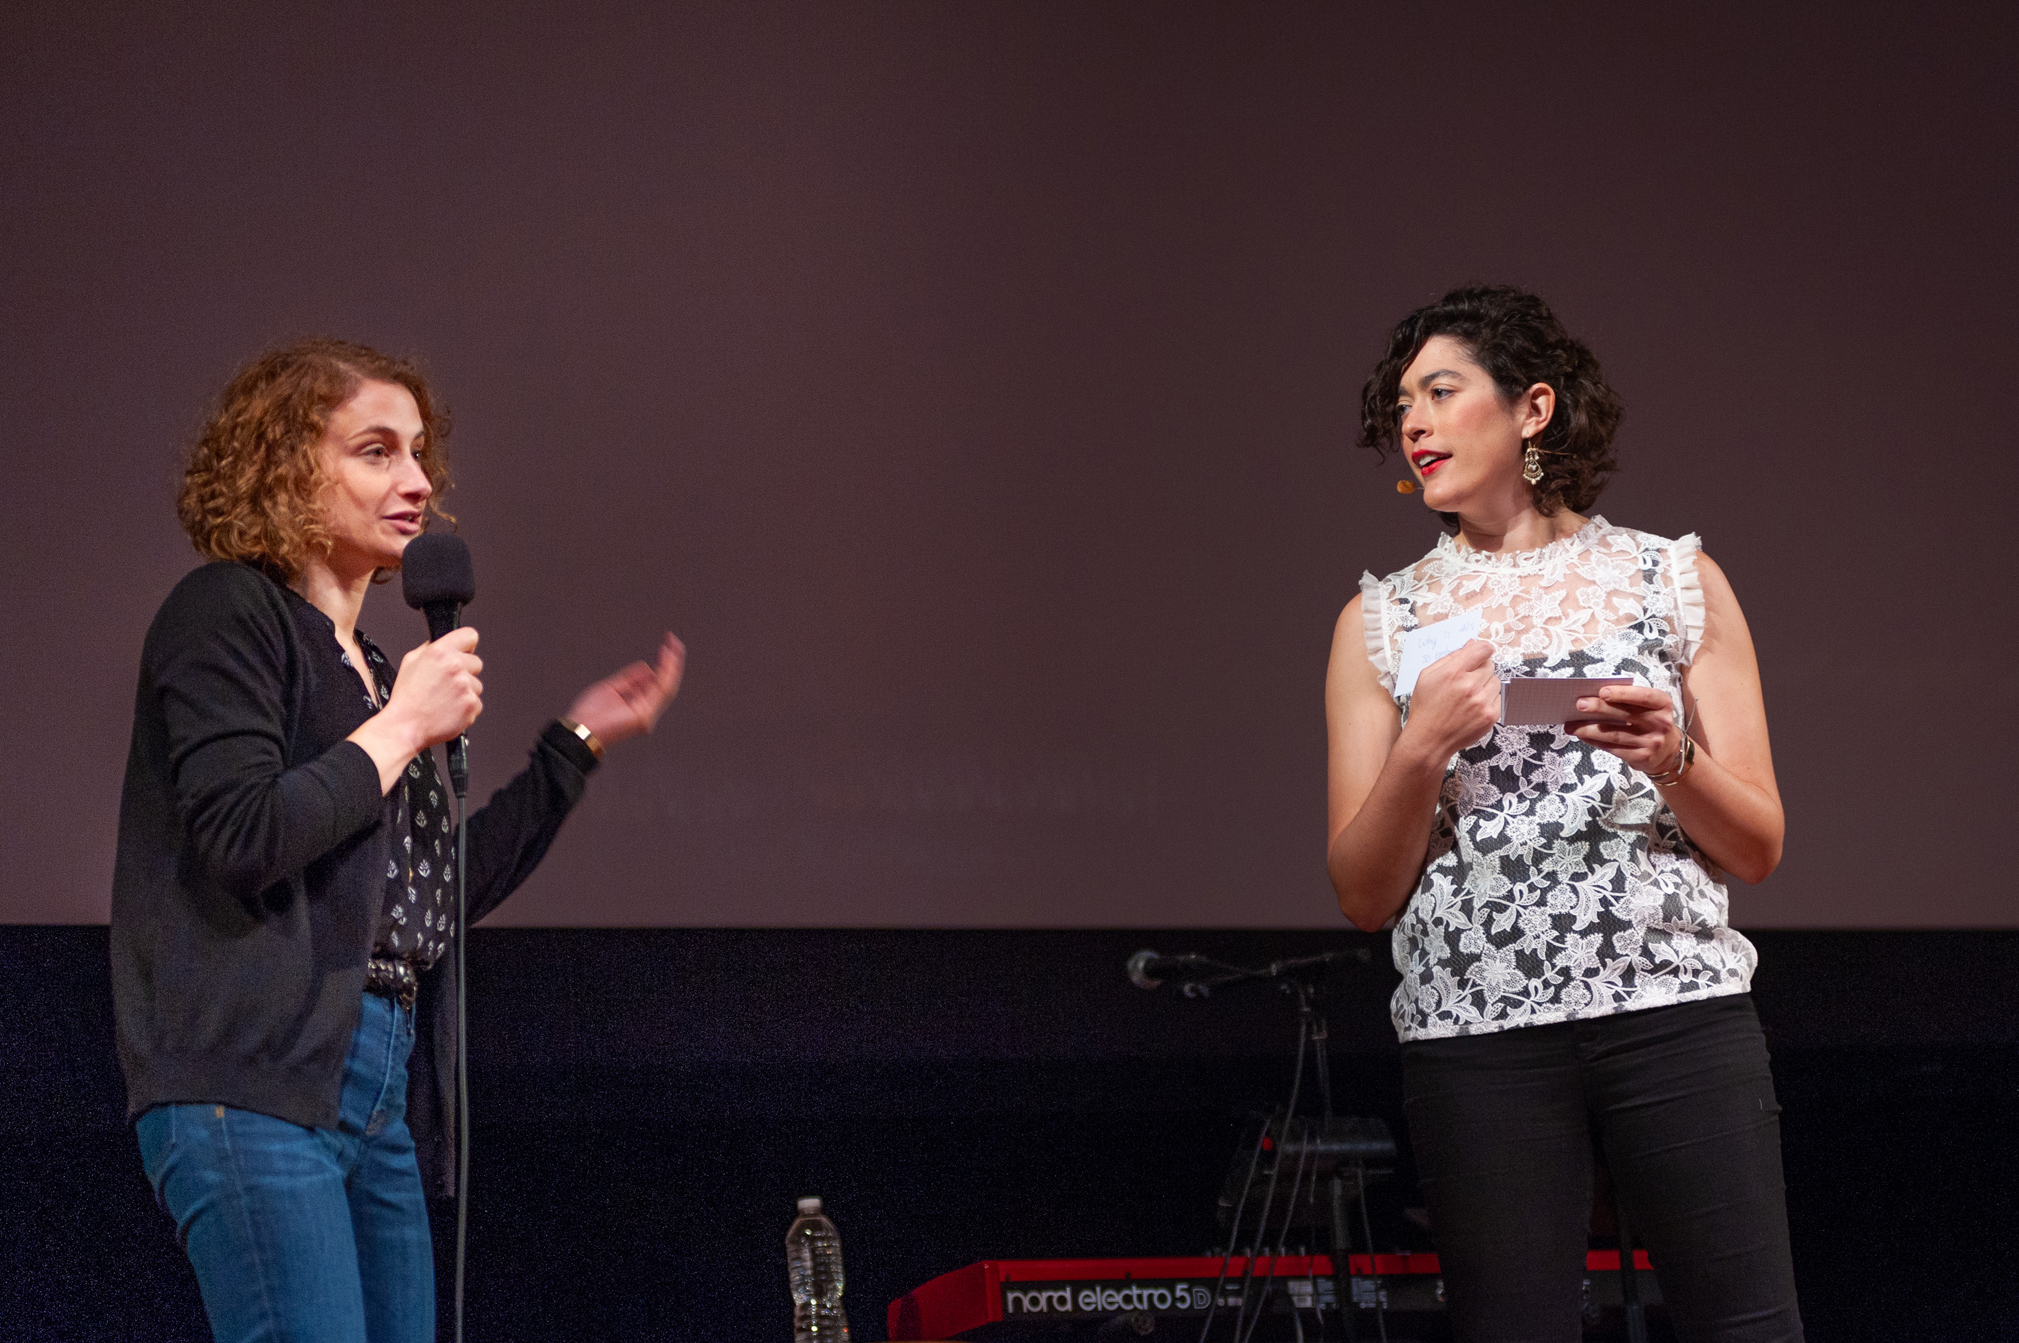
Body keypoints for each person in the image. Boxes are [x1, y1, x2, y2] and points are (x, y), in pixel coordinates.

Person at [110, 338, 686, 1343]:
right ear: (285, 466)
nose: (419, 481)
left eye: (420, 453)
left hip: (378, 1086)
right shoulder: (227, 614)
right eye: (377, 450)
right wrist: (404, 725)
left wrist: (576, 742)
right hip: (251, 1075)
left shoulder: (379, 667)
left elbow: (430, 895)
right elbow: (242, 834)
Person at [1325, 287, 1801, 1341]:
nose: (1414, 422)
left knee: (1747, 1324)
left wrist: (1670, 755)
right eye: (1401, 402)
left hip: (1675, 1012)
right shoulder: (1381, 616)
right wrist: (1423, 742)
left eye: (1442, 392)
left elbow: (1759, 843)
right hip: (1479, 1033)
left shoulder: (1672, 579)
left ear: (1532, 408)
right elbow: (1362, 893)